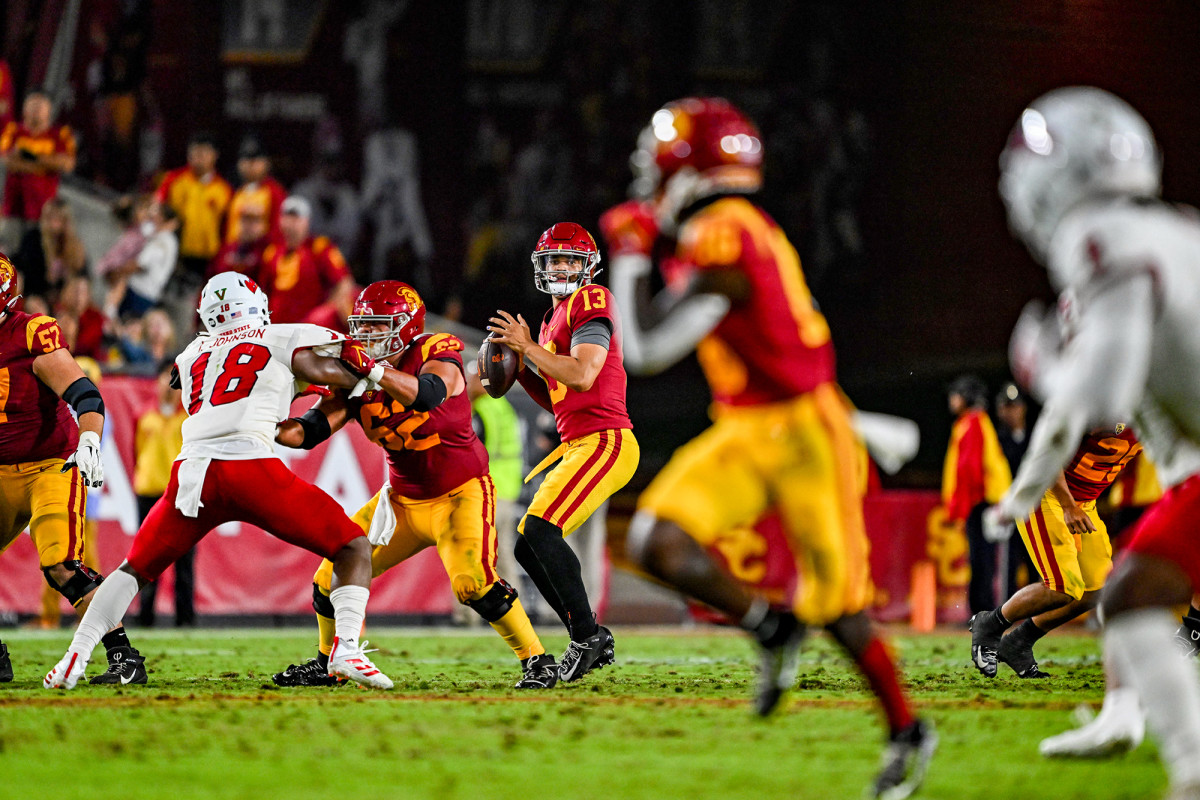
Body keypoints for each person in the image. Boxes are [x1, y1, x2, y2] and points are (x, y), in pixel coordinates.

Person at [603, 97, 934, 799]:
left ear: (688, 166)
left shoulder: (727, 232)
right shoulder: (723, 229)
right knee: (659, 541)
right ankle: (769, 627)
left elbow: (648, 349)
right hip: (748, 424)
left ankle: (907, 730)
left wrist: (630, 258)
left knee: (839, 609)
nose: (647, 174)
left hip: (808, 436)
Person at [986, 86, 1200, 796]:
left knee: (1125, 591)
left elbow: (1099, 395)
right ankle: (1125, 718)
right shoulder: (1182, 230)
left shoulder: (1100, 240)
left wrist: (1039, 361)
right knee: (1127, 590)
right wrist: (1025, 494)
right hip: (1163, 478)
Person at [44, 272, 392, 690]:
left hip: (192, 475)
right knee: (351, 545)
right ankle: (348, 650)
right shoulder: (282, 337)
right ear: (257, 304)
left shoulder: (191, 355)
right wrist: (369, 376)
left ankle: (73, 658)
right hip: (250, 468)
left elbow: (206, 385)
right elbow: (344, 370)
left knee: (132, 570)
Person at [272, 280, 555, 689]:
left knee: (473, 584)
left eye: (378, 326)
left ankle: (537, 660)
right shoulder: (359, 375)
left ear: (406, 327)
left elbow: (427, 394)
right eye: (363, 327)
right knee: (328, 575)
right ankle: (326, 664)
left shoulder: (436, 349)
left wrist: (373, 372)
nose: (367, 336)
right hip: (402, 502)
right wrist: (262, 421)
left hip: (461, 494)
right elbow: (308, 432)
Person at [487, 222, 640, 683]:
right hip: (578, 444)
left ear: (587, 267)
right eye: (554, 260)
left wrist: (528, 347)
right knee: (527, 542)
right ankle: (590, 635)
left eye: (570, 260)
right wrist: (518, 370)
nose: (561, 268)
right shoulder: (552, 320)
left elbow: (582, 376)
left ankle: (588, 637)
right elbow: (558, 392)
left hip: (606, 439)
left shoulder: (590, 300)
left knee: (540, 529)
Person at [0, 252, 144, 685]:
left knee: (62, 565)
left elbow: (84, 393)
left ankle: (124, 658)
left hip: (47, 466)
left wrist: (88, 439)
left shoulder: (28, 332)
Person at [971, 426, 1141, 679]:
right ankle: (991, 624)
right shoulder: (1107, 406)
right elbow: (1048, 454)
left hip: (1083, 503)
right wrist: (1068, 506)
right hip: (1047, 495)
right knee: (1062, 586)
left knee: (1097, 588)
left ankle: (1019, 641)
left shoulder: (1157, 416)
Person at [942, 374, 1012, 614]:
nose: (952, 399)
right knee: (982, 558)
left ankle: (981, 612)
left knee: (980, 559)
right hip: (983, 500)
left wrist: (963, 507)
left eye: (956, 394)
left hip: (980, 501)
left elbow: (969, 468)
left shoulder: (971, 423)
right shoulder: (974, 421)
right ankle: (983, 611)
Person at [133, 358, 192, 627]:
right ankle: (145, 616)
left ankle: (186, 617)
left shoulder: (189, 419)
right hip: (149, 493)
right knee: (147, 556)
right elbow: (137, 453)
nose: (168, 385)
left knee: (185, 558)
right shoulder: (145, 416)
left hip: (181, 492)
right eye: (164, 378)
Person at [258, 196, 353, 324]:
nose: (291, 224)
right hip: (275, 330)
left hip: (308, 332)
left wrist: (326, 313)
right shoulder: (272, 252)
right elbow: (263, 292)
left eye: (296, 219)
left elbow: (344, 283)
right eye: (287, 217)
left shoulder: (319, 248)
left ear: (307, 222)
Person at [155, 131, 231, 288]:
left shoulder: (224, 189)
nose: (199, 158)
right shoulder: (173, 180)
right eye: (195, 153)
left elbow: (227, 226)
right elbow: (157, 210)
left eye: (204, 153)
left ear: (214, 155)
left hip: (207, 259)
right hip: (175, 254)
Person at [1, 92, 76, 226]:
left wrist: (27, 155)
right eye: (33, 106)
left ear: (49, 111)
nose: (36, 111)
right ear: (24, 109)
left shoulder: (61, 134)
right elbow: (8, 160)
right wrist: (47, 165)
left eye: (40, 107)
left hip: (45, 211)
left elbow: (67, 164)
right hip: (14, 208)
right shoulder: (13, 130)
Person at [994, 381, 1037, 597]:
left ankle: (1036, 614)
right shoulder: (996, 439)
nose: (1011, 412)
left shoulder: (1036, 438)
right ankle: (1007, 612)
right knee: (1007, 563)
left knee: (1036, 562)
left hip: (1033, 508)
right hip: (1009, 508)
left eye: (1015, 406)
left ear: (1023, 408)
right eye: (1006, 407)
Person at [13, 197, 87, 300]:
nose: (54, 223)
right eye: (51, 218)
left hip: (61, 296)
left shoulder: (74, 245)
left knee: (80, 285)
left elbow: (82, 273)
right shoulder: (34, 238)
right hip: (33, 292)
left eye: (59, 219)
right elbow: (27, 270)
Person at [116, 200, 178, 317]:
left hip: (141, 293)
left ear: (162, 218)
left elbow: (140, 264)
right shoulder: (160, 235)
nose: (152, 216)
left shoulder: (164, 240)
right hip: (142, 292)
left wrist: (117, 272)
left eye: (156, 214)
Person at [225, 135, 286, 245]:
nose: (250, 165)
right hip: (234, 252)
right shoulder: (235, 192)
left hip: (261, 253)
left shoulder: (274, 192)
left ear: (266, 163)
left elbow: (278, 230)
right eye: (245, 160)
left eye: (255, 160)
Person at [208, 198, 274, 283]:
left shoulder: (269, 251)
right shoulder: (227, 249)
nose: (249, 226)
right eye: (245, 220)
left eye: (255, 221)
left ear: (264, 225)